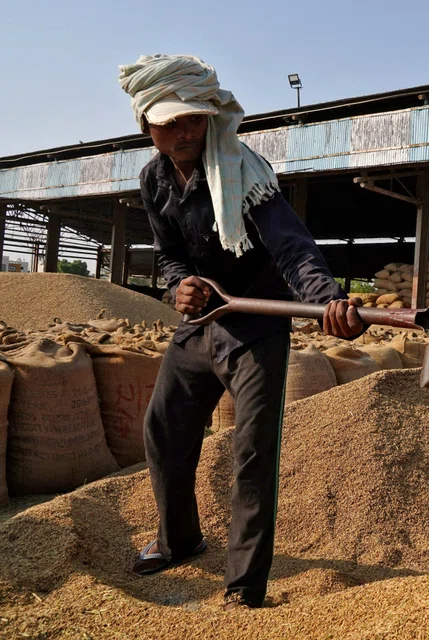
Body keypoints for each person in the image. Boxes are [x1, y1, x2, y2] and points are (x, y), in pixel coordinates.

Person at [118, 54, 363, 610]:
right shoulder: (153, 179)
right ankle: (180, 540)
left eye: (195, 119)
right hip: (202, 321)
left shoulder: (242, 172)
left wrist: (328, 302)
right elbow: (169, 256)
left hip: (257, 324)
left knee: (252, 452)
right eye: (171, 122)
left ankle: (243, 586)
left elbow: (293, 247)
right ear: (146, 126)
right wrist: (180, 285)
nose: (185, 132)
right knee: (164, 429)